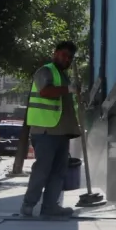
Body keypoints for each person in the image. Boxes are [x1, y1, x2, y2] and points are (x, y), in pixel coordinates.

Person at [21, 41, 81, 217]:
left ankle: (50, 207)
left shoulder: (64, 76)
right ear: (55, 53)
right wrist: (69, 89)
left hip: (61, 132)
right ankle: (28, 205)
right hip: (45, 131)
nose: (67, 59)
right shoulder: (45, 71)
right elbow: (45, 92)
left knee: (58, 172)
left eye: (70, 57)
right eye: (64, 55)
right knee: (43, 170)